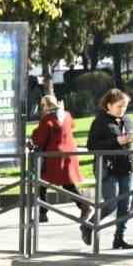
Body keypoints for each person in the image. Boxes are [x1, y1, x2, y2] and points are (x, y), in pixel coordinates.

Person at [86, 87, 133, 250]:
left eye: (125, 106)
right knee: (111, 204)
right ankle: (88, 226)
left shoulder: (127, 120)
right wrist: (117, 141)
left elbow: (129, 144)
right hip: (108, 169)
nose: (123, 110)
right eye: (119, 106)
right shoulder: (100, 121)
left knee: (125, 205)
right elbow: (92, 146)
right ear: (109, 105)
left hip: (126, 167)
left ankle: (119, 238)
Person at [29, 95, 86, 228]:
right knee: (67, 184)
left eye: (43, 105)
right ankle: (83, 206)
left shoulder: (48, 119)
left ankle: (43, 213)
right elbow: (72, 126)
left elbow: (39, 138)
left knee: (41, 183)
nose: (42, 107)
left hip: (53, 157)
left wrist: (33, 135)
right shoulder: (67, 115)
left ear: (47, 105)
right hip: (68, 155)